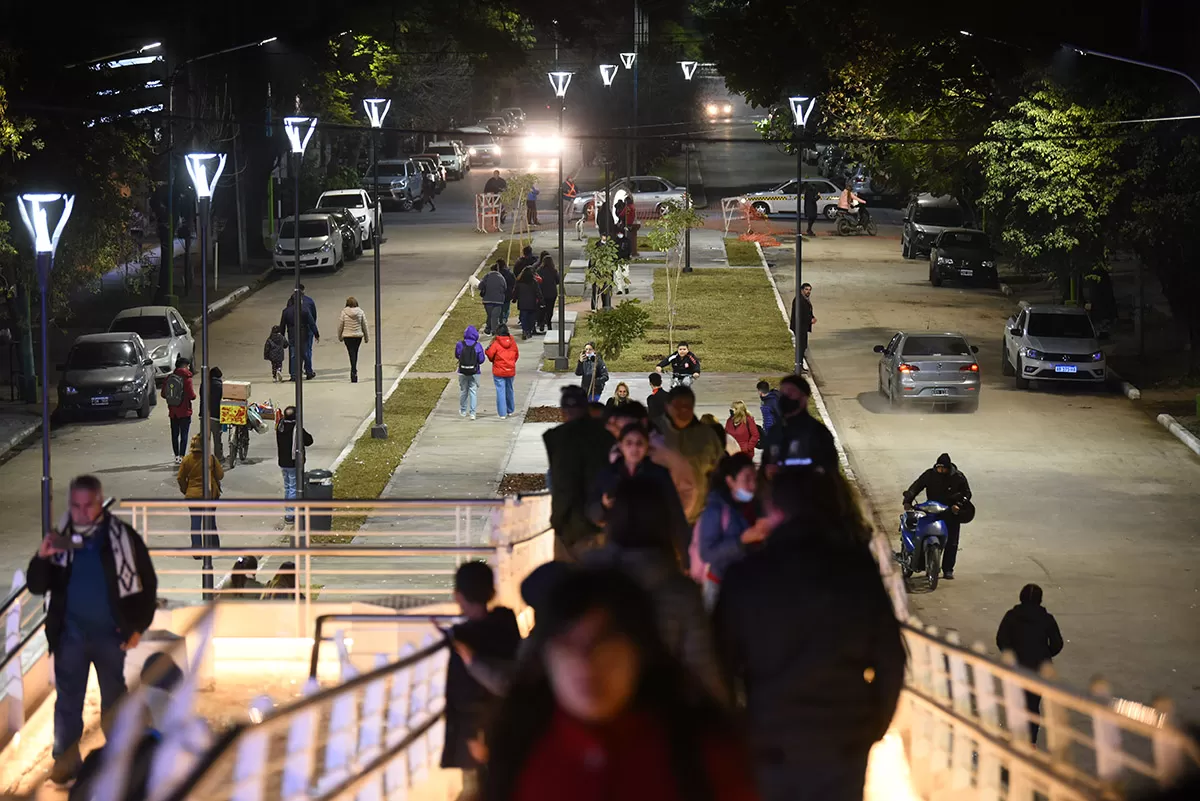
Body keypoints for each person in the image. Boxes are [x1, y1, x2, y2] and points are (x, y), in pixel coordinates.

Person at [480, 568, 759, 801]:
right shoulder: (518, 749)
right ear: (545, 656)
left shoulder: (703, 754)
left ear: (639, 649)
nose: (585, 661)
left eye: (603, 641)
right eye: (567, 643)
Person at [714, 467, 905, 801]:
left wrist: (737, 726)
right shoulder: (856, 572)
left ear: (775, 511)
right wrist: (873, 726)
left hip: (770, 737)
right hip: (842, 738)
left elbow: (718, 663)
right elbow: (892, 658)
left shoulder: (745, 575)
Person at [27, 475, 158, 785]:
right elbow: (36, 585)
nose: (82, 512)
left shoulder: (120, 537)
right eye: (76, 506)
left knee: (114, 699)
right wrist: (42, 557)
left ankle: (120, 756)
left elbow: (147, 583)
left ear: (100, 503)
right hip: (69, 637)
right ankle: (66, 763)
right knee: (68, 702)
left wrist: (138, 626)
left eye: (88, 505)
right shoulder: (61, 541)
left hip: (111, 636)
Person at [584, 476, 727, 703]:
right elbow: (704, 674)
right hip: (658, 711)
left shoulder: (585, 581)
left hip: (597, 709)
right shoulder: (681, 593)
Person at [442, 561, 522, 798]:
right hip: (507, 722)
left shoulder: (464, 639)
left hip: (479, 733)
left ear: (458, 596)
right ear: (492, 592)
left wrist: (471, 734)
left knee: (478, 788)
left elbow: (464, 694)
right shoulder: (506, 623)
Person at [589, 423, 688, 556]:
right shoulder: (608, 474)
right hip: (617, 548)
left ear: (647, 446)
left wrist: (684, 554)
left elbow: (675, 514)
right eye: (629, 443)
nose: (634, 448)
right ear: (620, 446)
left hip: (652, 549)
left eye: (639, 443)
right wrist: (603, 506)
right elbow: (592, 513)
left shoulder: (659, 475)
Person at [543, 385, 614, 560]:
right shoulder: (606, 436)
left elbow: (563, 485)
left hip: (573, 527)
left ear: (563, 412)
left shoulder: (560, 438)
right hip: (603, 521)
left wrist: (557, 520)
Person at [996, 583, 1064, 744]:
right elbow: (1057, 644)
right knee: (1033, 706)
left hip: (1016, 667)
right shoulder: (1047, 619)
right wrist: (1045, 654)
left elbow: (1001, 640)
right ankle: (1031, 740)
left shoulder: (1011, 616)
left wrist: (1011, 654)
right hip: (1038, 668)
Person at [697, 454, 768, 608]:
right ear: (730, 481)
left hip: (750, 584)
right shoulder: (715, 510)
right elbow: (707, 553)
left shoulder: (757, 506)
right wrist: (741, 541)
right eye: (747, 479)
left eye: (754, 479)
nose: (753, 485)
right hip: (721, 586)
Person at [657, 386, 724, 525]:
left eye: (687, 406)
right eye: (678, 406)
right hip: (659, 518)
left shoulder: (707, 437)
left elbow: (720, 472)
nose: (683, 411)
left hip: (698, 516)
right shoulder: (653, 433)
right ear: (667, 406)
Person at [902, 452, 973, 580]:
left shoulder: (958, 477)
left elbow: (967, 493)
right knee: (921, 533)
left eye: (943, 468)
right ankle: (922, 561)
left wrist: (958, 504)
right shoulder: (930, 475)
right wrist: (908, 500)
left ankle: (948, 569)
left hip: (950, 512)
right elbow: (916, 486)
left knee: (952, 542)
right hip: (932, 511)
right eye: (938, 468)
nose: (940, 470)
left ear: (948, 468)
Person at [761, 374, 838, 473]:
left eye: (790, 392)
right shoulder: (775, 431)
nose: (785, 397)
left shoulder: (818, 433)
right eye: (782, 393)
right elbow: (765, 466)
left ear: (804, 397)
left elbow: (829, 471)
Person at [178, 432, 223, 554]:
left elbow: (180, 478)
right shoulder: (210, 458)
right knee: (210, 521)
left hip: (193, 495)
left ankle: (197, 549)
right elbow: (220, 475)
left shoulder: (187, 460)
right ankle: (213, 546)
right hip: (210, 494)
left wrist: (186, 489)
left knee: (195, 522)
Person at [276, 406, 313, 524]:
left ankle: (289, 510)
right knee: (293, 487)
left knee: (287, 487)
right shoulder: (297, 429)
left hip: (283, 462)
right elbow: (309, 441)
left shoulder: (280, 426)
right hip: (293, 462)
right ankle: (290, 514)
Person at [162, 355, 196, 465]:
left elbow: (163, 394)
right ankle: (182, 456)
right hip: (185, 411)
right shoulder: (187, 378)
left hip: (173, 412)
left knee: (174, 434)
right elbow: (191, 395)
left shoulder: (169, 378)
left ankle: (176, 455)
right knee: (184, 434)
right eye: (188, 366)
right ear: (185, 366)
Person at [280, 293, 319, 381]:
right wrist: (316, 333)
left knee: (293, 354)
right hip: (304, 334)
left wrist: (282, 337)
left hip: (292, 335)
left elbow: (282, 325)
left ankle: (294, 374)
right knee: (305, 353)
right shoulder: (304, 310)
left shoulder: (286, 311)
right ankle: (309, 372)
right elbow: (311, 322)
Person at [485, 324, 519, 419]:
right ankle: (510, 410)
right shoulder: (512, 342)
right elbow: (516, 355)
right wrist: (511, 363)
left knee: (500, 391)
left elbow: (490, 354)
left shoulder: (496, 343)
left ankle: (502, 413)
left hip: (499, 370)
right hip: (510, 369)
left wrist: (493, 360)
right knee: (509, 389)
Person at [337, 296, 369, 383]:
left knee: (351, 353)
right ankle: (354, 370)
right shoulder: (360, 312)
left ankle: (353, 369)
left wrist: (340, 336)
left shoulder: (344, 312)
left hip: (347, 336)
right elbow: (364, 325)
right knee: (355, 352)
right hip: (358, 336)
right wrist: (366, 337)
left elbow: (340, 325)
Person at [456, 325, 485, 420]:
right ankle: (473, 413)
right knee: (473, 391)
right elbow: (481, 359)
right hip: (475, 371)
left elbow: (457, 355)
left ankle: (463, 410)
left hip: (462, 370)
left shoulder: (460, 344)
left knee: (463, 390)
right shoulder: (478, 345)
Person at [201, 365, 225, 462]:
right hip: (215, 416)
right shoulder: (219, 385)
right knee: (217, 439)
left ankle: (203, 457)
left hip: (203, 415)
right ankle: (218, 457)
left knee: (204, 439)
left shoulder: (204, 384)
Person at [789, 283, 814, 371]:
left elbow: (808, 311)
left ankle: (800, 365)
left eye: (809, 290)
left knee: (803, 346)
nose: (808, 291)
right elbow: (800, 314)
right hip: (799, 327)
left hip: (802, 327)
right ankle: (798, 365)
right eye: (806, 289)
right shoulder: (799, 300)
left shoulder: (804, 299)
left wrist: (812, 317)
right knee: (801, 346)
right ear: (802, 290)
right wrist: (810, 319)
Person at [514, 266, 543, 340]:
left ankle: (525, 330)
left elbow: (515, 292)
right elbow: (538, 292)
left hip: (522, 303)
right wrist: (541, 301)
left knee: (524, 318)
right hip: (532, 303)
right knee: (531, 318)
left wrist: (514, 299)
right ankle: (529, 330)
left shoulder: (519, 282)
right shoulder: (534, 282)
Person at [479, 262, 508, 336]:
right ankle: (493, 331)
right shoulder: (501, 277)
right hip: (498, 301)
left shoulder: (487, 276)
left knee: (490, 315)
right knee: (494, 316)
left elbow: (480, 286)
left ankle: (489, 329)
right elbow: (505, 288)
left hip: (487, 300)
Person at [536, 255, 559, 334]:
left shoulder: (539, 270)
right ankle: (549, 324)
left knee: (542, 309)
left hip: (542, 292)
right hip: (552, 293)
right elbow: (558, 280)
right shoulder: (553, 271)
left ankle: (541, 322)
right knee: (550, 309)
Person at [499, 258, 518, 327]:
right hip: (508, 293)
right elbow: (514, 283)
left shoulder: (498, 273)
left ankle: (501, 319)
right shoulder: (510, 273)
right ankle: (505, 318)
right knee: (506, 308)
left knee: (500, 307)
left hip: (499, 293)